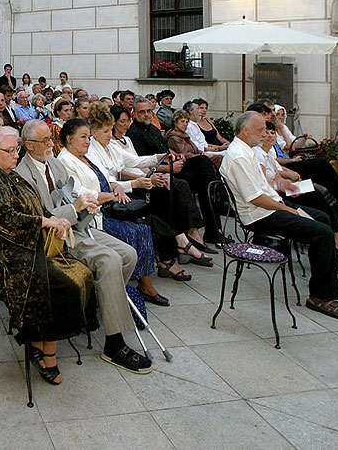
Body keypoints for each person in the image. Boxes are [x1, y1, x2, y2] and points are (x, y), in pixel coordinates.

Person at [16, 120, 153, 374]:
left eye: (50, 138)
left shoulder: (54, 163)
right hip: (56, 237)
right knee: (109, 260)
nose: (50, 144)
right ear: (29, 145)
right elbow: (42, 218)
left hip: (78, 226)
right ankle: (114, 343)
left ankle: (94, 304)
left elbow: (70, 194)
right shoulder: (22, 175)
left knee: (128, 253)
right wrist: (75, 208)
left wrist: (85, 204)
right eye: (45, 140)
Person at [0, 126, 98, 385]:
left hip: (22, 245)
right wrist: (46, 223)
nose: (16, 155)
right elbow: (6, 221)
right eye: (10, 151)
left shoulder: (8, 174)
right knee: (60, 285)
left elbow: (34, 207)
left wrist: (55, 219)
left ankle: (39, 340)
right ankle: (47, 354)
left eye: (17, 149)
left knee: (80, 272)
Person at [221, 111, 338, 321]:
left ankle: (327, 277)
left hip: (271, 206)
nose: (264, 134)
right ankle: (321, 296)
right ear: (245, 131)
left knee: (323, 218)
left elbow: (263, 186)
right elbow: (255, 198)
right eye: (260, 130)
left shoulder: (248, 150)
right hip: (260, 215)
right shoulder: (238, 155)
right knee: (322, 233)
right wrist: (286, 209)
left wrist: (283, 190)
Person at [87, 104, 212, 273]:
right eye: (106, 132)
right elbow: (107, 183)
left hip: (126, 188)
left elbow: (134, 161)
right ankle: (174, 249)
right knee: (158, 199)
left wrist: (157, 157)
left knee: (163, 193)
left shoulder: (111, 146)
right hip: (114, 195)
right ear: (94, 132)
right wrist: (136, 183)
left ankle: (176, 245)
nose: (110, 135)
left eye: (110, 130)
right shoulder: (92, 151)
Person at [58, 119, 169, 306]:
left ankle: (136, 284)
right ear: (69, 139)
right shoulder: (65, 161)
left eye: (89, 136)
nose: (88, 141)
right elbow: (82, 194)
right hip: (93, 217)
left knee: (145, 222)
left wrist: (115, 185)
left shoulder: (85, 155)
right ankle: (128, 288)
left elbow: (106, 176)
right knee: (137, 231)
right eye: (83, 137)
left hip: (108, 207)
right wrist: (113, 194)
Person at [254, 121, 338, 262]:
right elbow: (264, 184)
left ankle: (337, 236)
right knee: (315, 196)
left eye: (272, 133)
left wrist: (289, 183)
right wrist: (285, 186)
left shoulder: (268, 153)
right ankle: (337, 237)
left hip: (281, 190)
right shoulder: (258, 154)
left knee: (318, 190)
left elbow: (277, 175)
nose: (270, 136)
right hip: (275, 197)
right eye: (266, 133)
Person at [253, 100, 338, 216]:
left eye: (274, 112)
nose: (273, 115)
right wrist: (289, 169)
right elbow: (269, 168)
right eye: (269, 112)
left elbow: (291, 147)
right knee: (320, 172)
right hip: (281, 170)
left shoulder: (274, 128)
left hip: (283, 167)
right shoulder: (260, 136)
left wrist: (281, 128)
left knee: (323, 179)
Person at [129, 97, 222, 246]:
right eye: (142, 112)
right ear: (135, 113)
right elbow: (142, 162)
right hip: (161, 170)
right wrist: (169, 168)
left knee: (203, 169)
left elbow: (164, 148)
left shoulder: (152, 127)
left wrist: (175, 154)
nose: (146, 114)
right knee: (190, 181)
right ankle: (196, 229)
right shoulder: (134, 133)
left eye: (149, 111)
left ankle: (213, 222)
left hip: (173, 164)